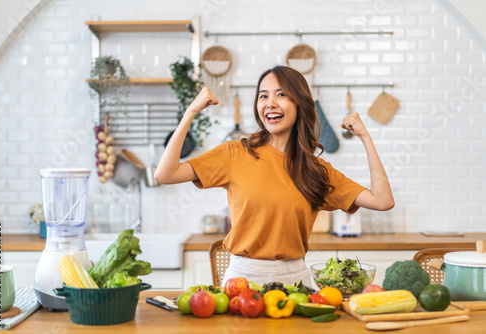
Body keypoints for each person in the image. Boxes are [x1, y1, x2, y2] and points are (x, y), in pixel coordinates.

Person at [155, 66, 394, 287]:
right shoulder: (234, 153)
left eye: (281, 95)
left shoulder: (316, 170)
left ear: (300, 103)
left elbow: (382, 201)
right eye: (263, 96)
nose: (270, 103)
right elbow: (165, 174)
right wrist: (191, 111)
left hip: (295, 282)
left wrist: (365, 136)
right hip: (242, 281)